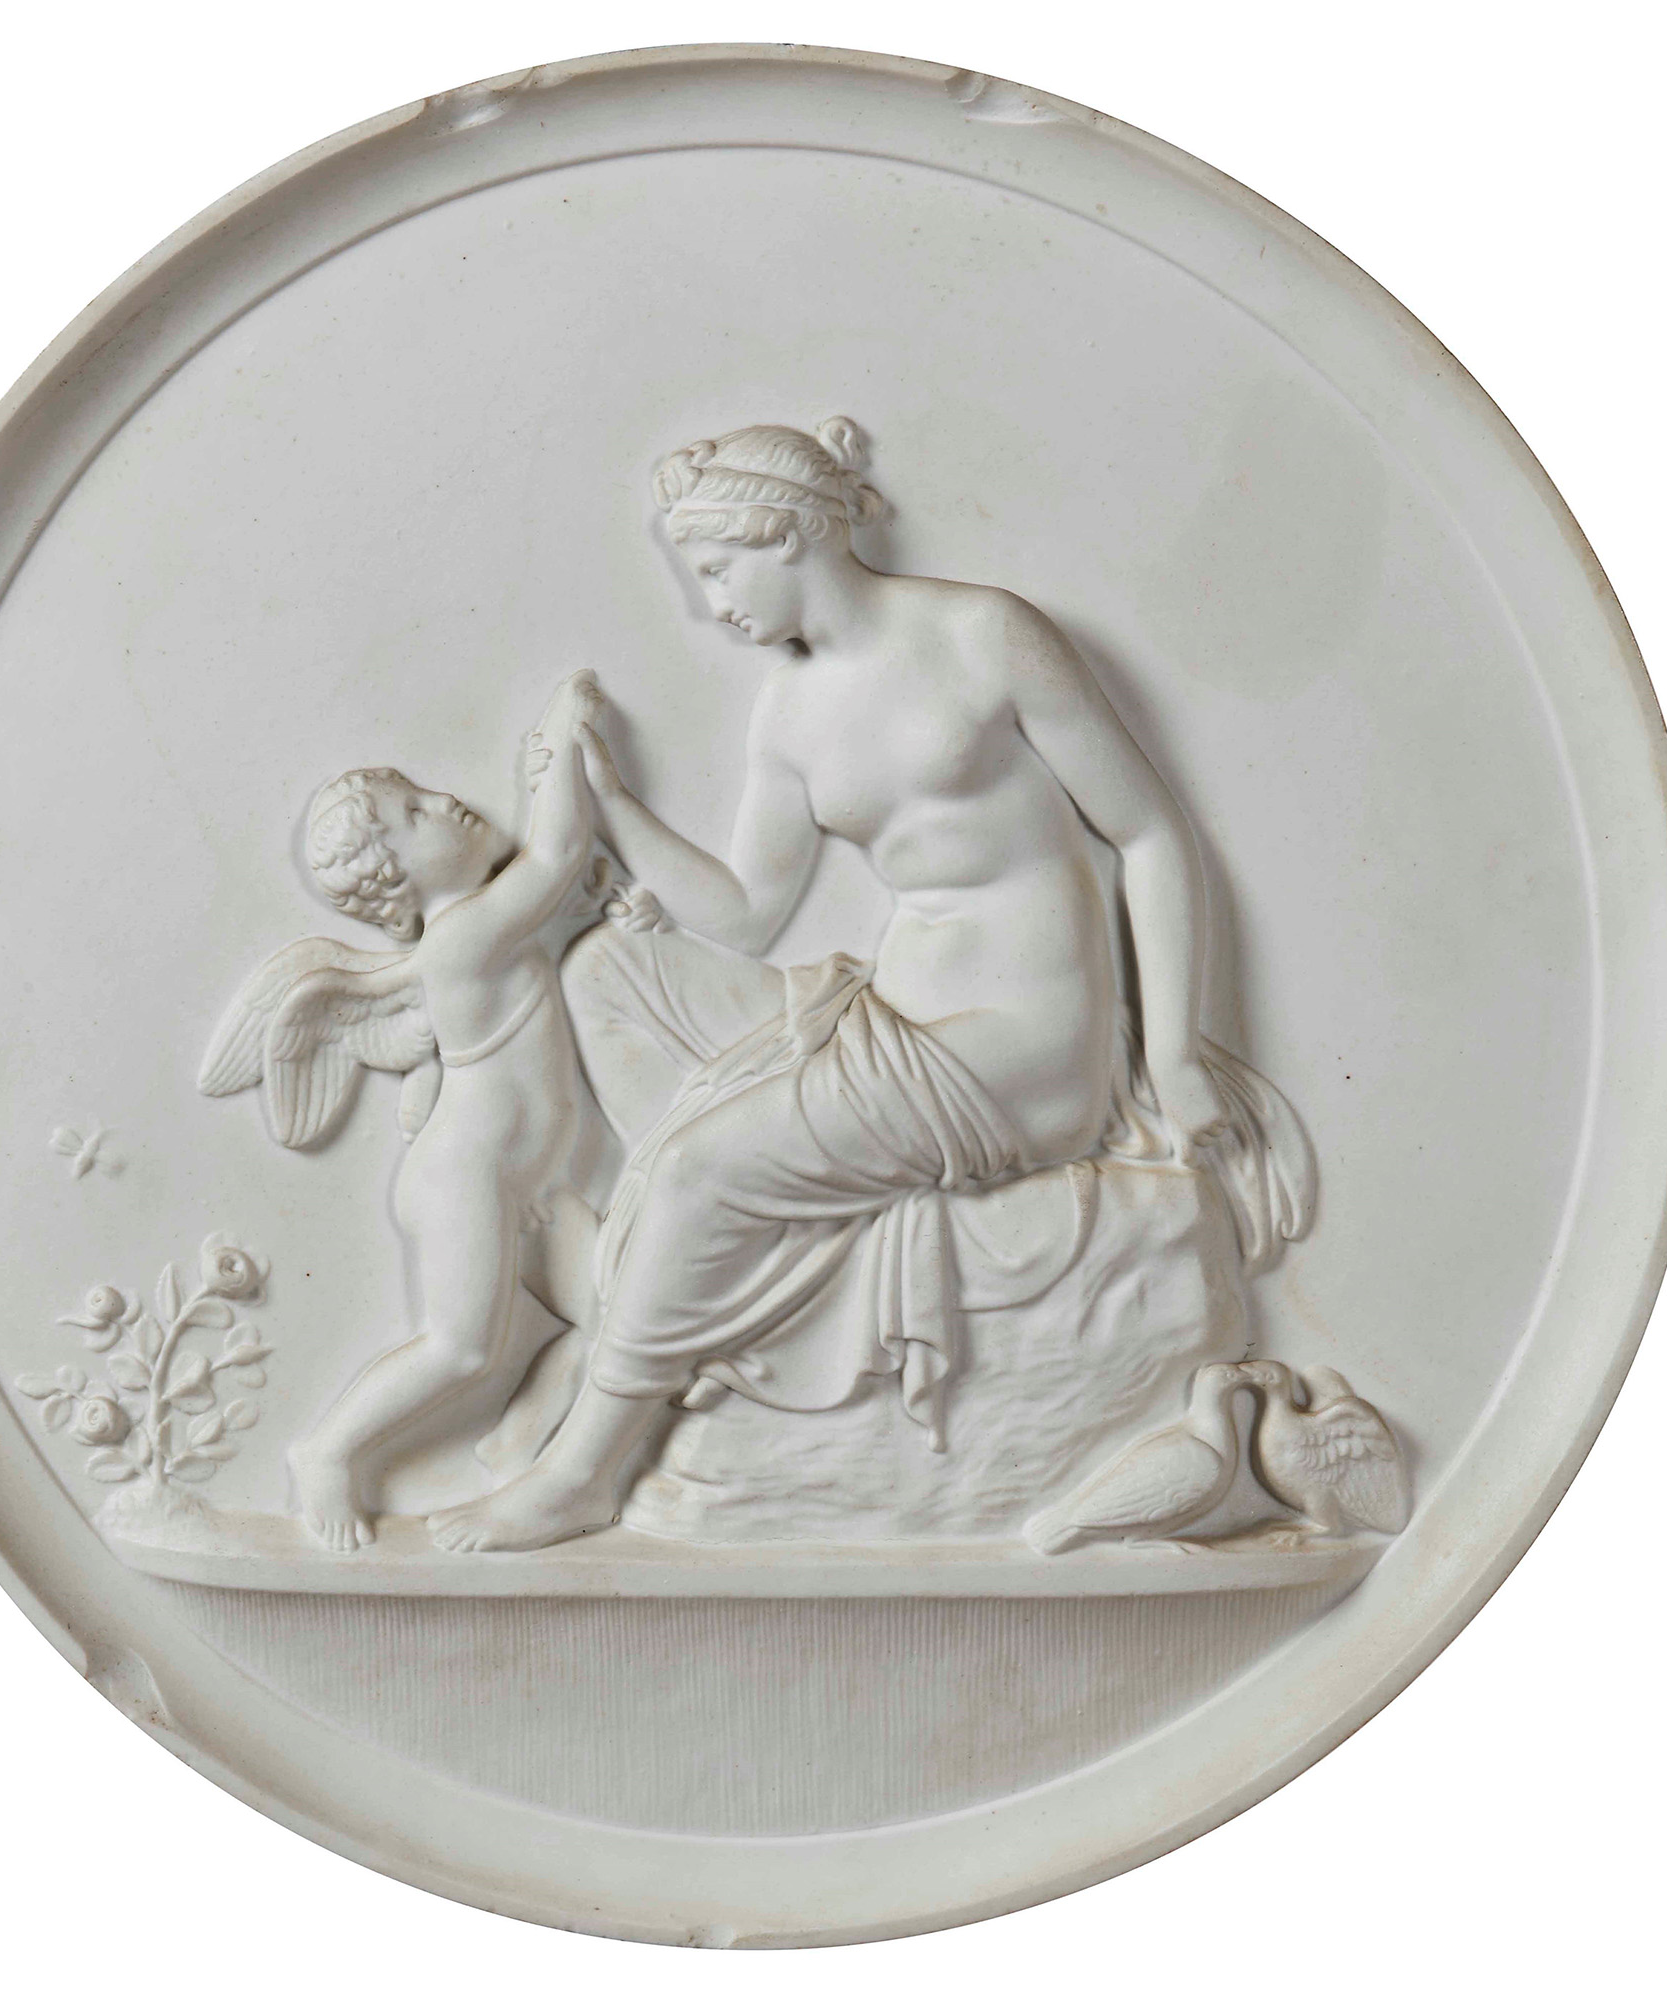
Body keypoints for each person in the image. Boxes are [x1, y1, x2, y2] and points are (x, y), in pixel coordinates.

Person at [428, 420, 1308, 1554]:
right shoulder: (790, 712)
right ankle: (725, 1255)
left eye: (717, 570)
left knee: (699, 1167)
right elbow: (745, 911)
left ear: (788, 535)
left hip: (1015, 1047)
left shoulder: (985, 636)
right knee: (608, 971)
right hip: (884, 1013)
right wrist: (611, 805)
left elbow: (1149, 832)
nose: (708, 606)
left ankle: (585, 1470)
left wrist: (1176, 1052)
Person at [201, 674, 609, 1550]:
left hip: (528, 1183)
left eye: (423, 792)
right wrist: (560, 744)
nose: (444, 801)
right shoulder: (462, 938)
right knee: (461, 1348)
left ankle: (521, 1437)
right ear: (395, 881)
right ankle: (327, 1452)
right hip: (469, 1176)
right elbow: (556, 855)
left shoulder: (480, 929)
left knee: (627, 1322)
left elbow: (563, 886)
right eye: (415, 814)